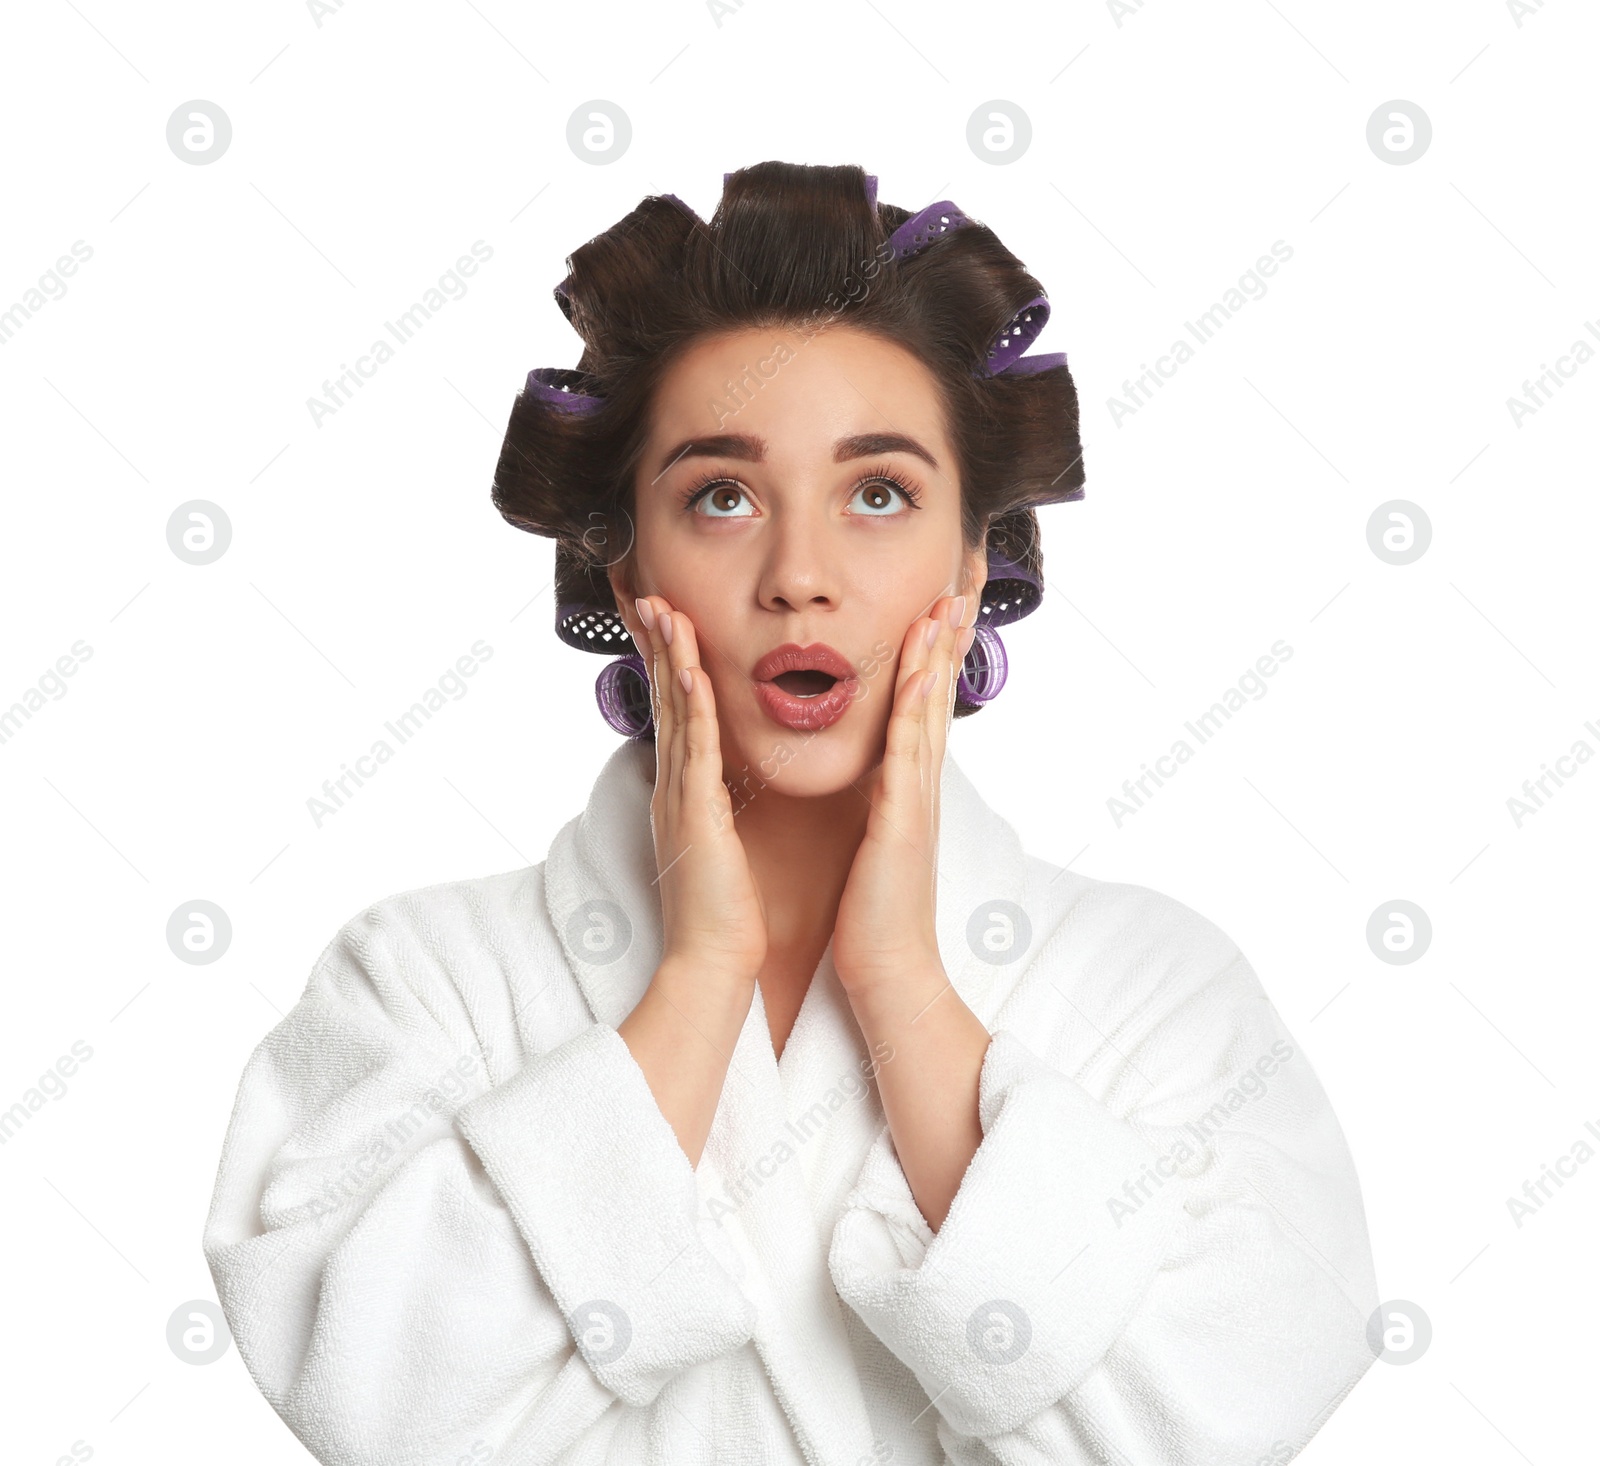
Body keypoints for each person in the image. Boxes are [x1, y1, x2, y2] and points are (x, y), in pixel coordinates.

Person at [204, 161, 1380, 1466]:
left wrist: (905, 990)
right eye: (722, 495)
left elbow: (1221, 1410)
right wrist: (699, 975)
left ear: (972, 559)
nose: (800, 578)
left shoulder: (1160, 990)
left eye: (879, 493)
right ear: (625, 558)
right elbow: (373, 1395)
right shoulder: (424, 981)